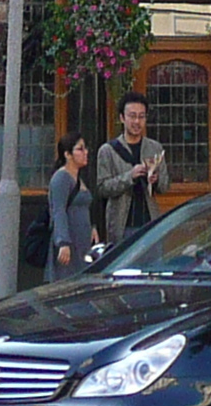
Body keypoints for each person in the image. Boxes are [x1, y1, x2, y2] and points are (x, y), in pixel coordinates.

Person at [92, 93, 168, 248]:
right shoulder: (108, 151)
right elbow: (102, 188)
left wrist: (156, 180)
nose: (137, 122)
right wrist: (130, 177)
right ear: (122, 118)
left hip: (151, 224)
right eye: (132, 116)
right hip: (122, 226)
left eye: (141, 117)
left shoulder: (155, 148)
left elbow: (165, 186)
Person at [47, 133, 95, 277]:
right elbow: (58, 211)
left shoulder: (78, 178)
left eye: (85, 148)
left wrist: (92, 227)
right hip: (70, 242)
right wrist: (63, 242)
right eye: (80, 149)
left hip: (82, 242)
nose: (85, 152)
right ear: (67, 154)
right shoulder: (61, 178)